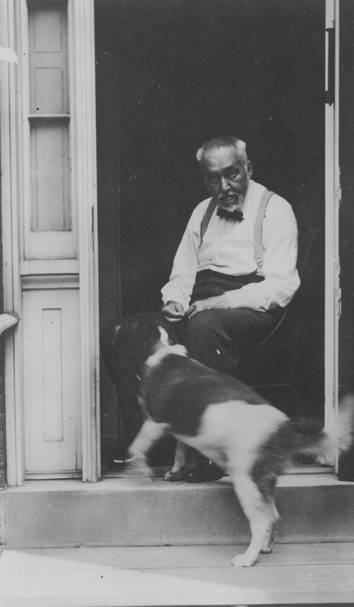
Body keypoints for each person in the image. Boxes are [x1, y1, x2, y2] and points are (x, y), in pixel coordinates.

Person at [101, 134, 299, 480]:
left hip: (250, 307)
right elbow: (182, 273)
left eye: (232, 173)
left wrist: (220, 302)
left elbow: (281, 286)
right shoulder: (201, 212)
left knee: (206, 327)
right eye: (213, 177)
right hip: (199, 307)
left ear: (248, 168)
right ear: (204, 178)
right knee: (121, 333)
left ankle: (211, 454)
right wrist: (175, 300)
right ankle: (153, 446)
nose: (224, 186)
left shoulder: (275, 209)